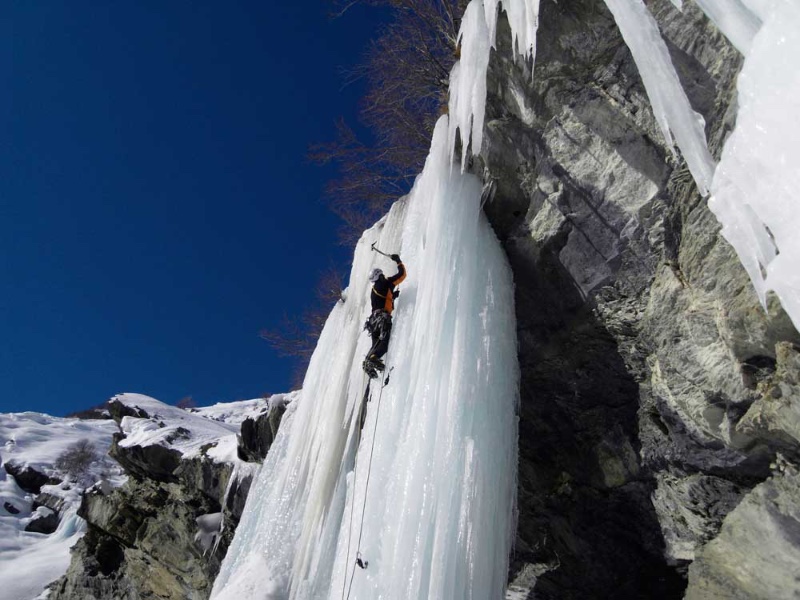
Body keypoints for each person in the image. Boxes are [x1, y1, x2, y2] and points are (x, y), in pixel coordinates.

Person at [363, 253, 406, 376]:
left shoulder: (373, 290)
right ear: (379, 275)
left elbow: (381, 301)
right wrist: (398, 261)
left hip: (373, 322)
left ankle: (368, 361)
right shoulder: (386, 282)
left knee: (376, 345)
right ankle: (372, 359)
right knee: (384, 344)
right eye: (382, 274)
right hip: (382, 319)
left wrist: (392, 297)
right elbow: (402, 275)